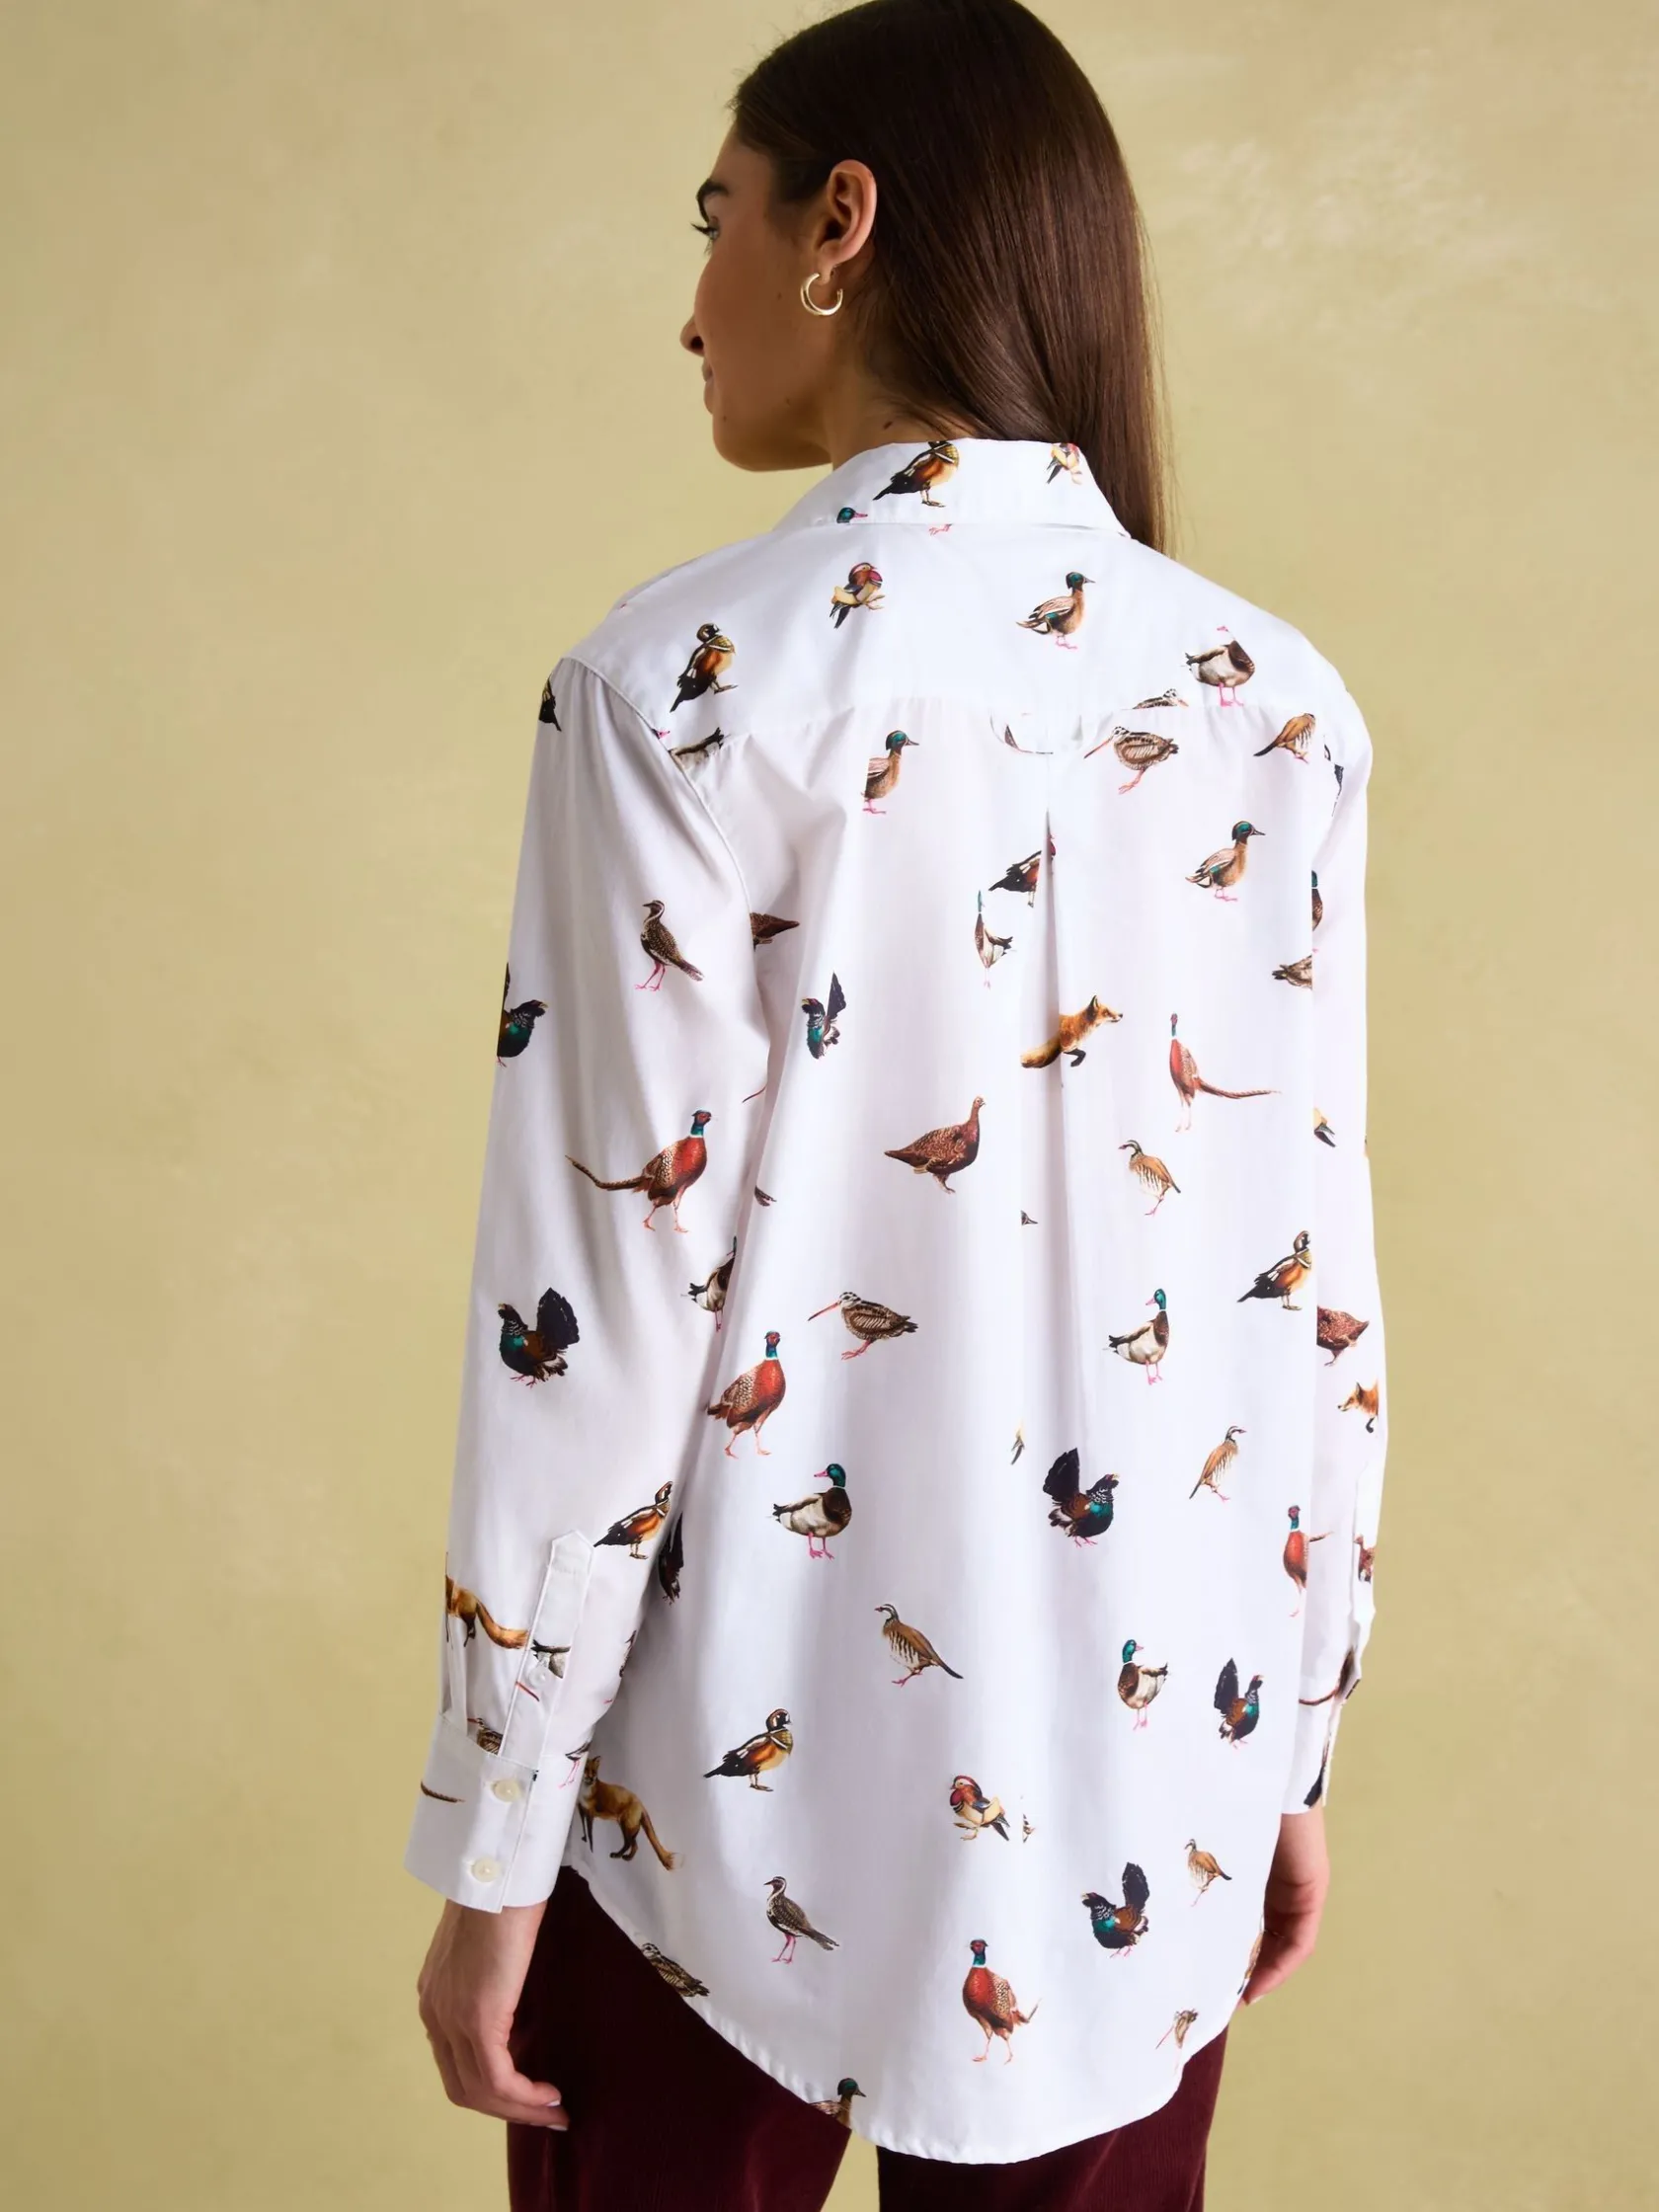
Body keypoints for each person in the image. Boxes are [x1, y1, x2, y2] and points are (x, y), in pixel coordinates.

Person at [406, 2, 1389, 2205]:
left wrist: (495, 1831)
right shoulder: (1274, 700)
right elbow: (1309, 1271)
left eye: (716, 220)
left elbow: (598, 1315)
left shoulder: (674, 688)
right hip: (1150, 1778)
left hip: (694, 1821)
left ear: (838, 221)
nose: (692, 307)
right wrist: (1288, 1738)